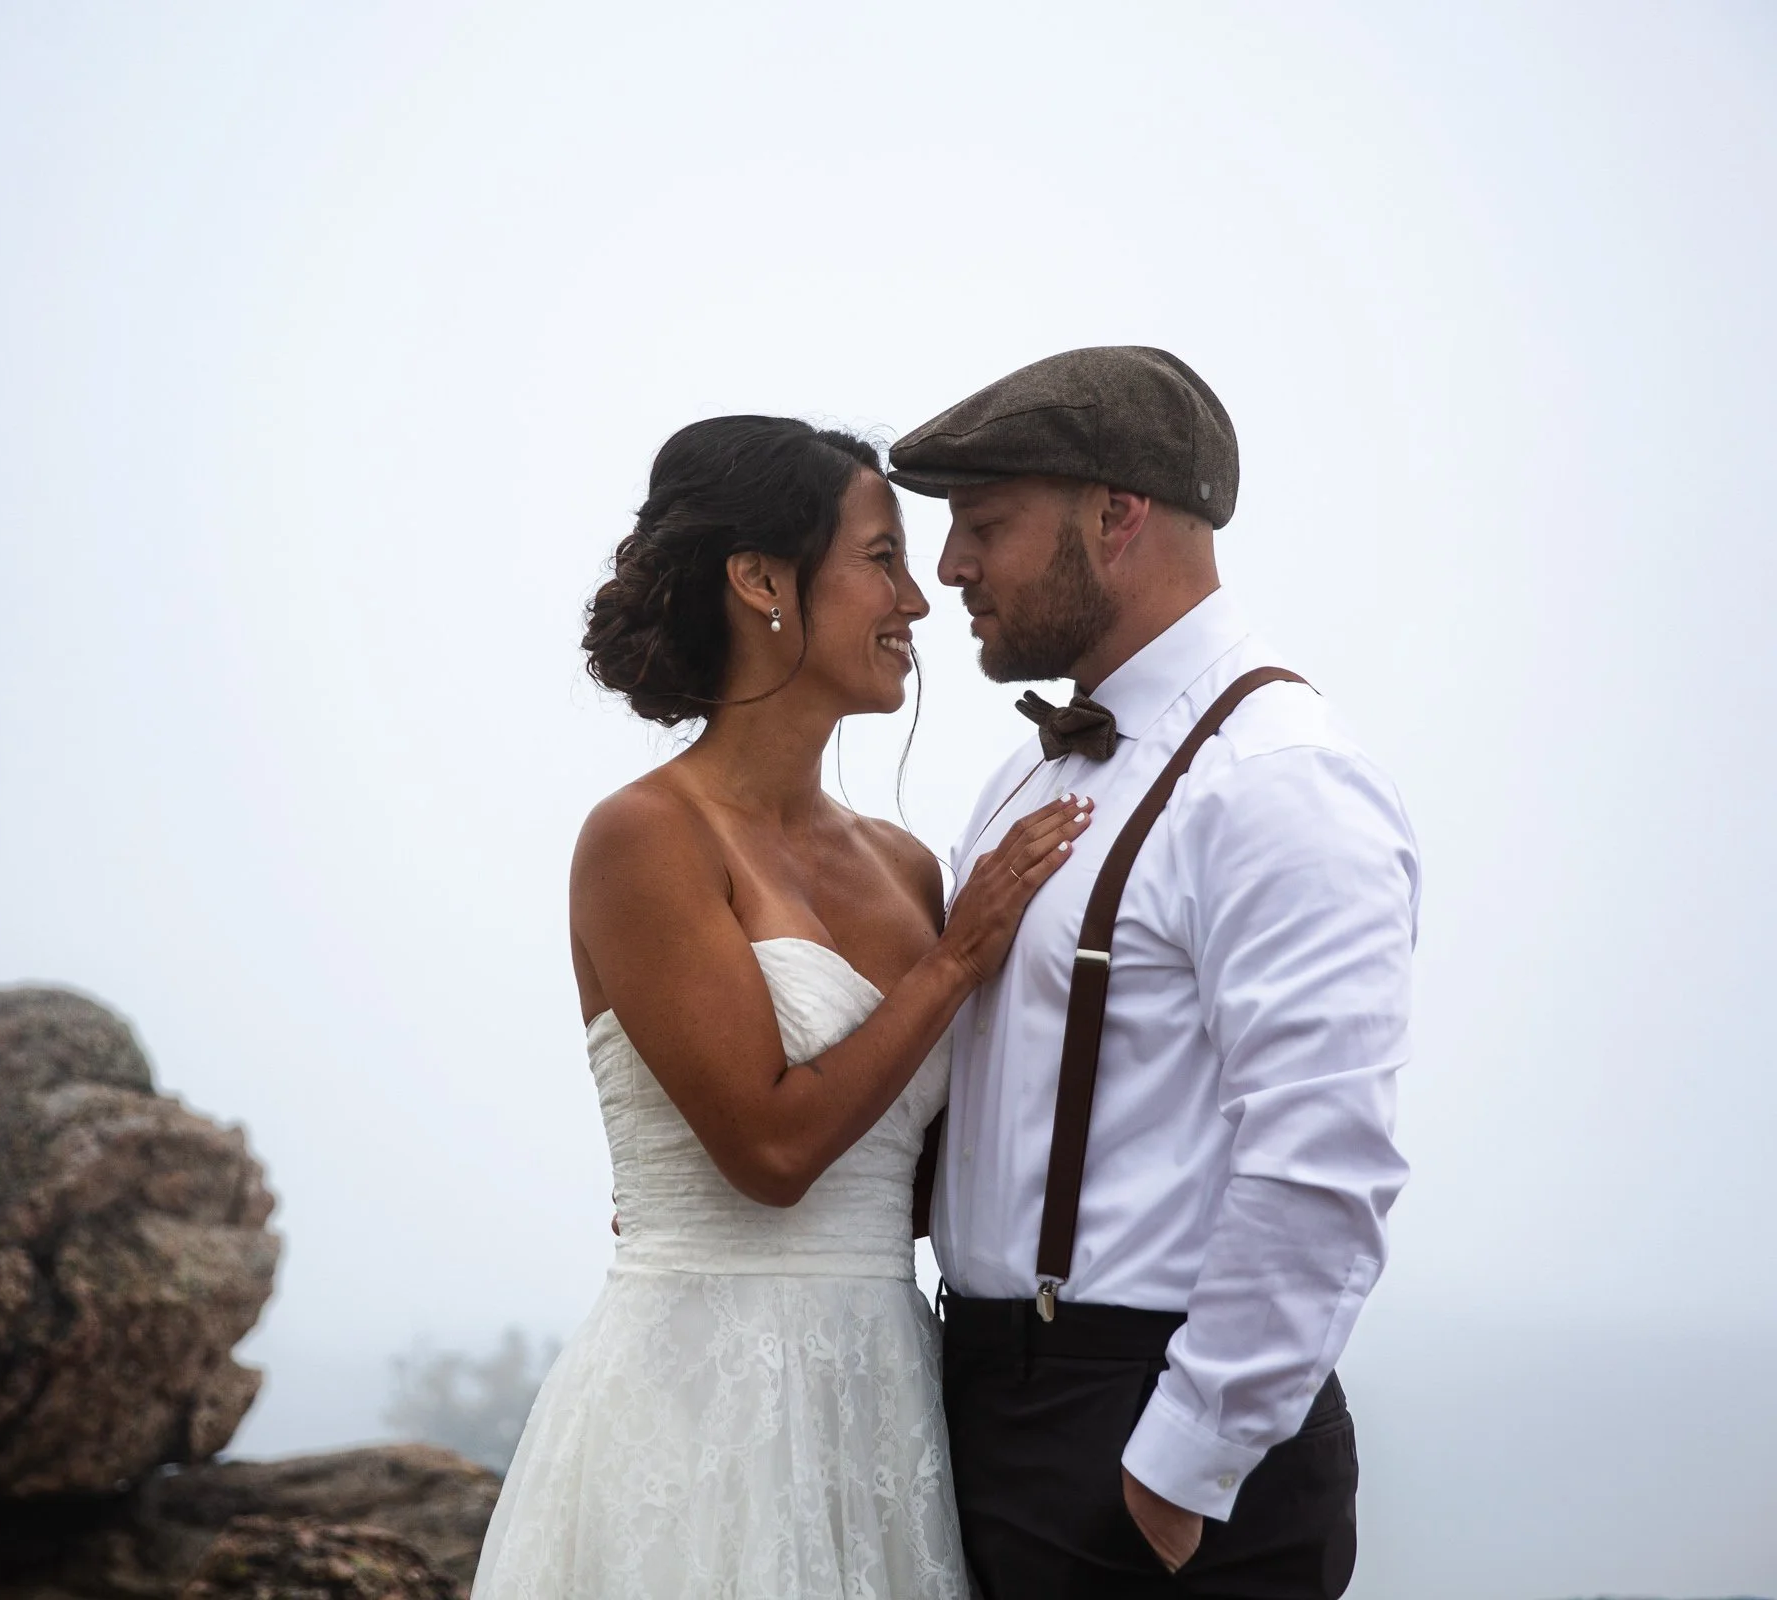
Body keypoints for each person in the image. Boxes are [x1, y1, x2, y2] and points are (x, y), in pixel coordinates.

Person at [471, 415, 1088, 1599]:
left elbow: (917, 1176)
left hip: (886, 1397)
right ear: (759, 579)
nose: (917, 597)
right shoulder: (643, 837)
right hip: (695, 1404)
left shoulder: (907, 867)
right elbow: (768, 1150)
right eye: (879, 557)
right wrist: (954, 967)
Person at [888, 346, 1420, 1600]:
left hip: (1137, 1425)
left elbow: (1321, 1152)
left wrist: (1179, 1470)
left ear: (1115, 515)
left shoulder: (1279, 777)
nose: (950, 566)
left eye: (984, 525)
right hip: (983, 1405)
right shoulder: (1024, 775)